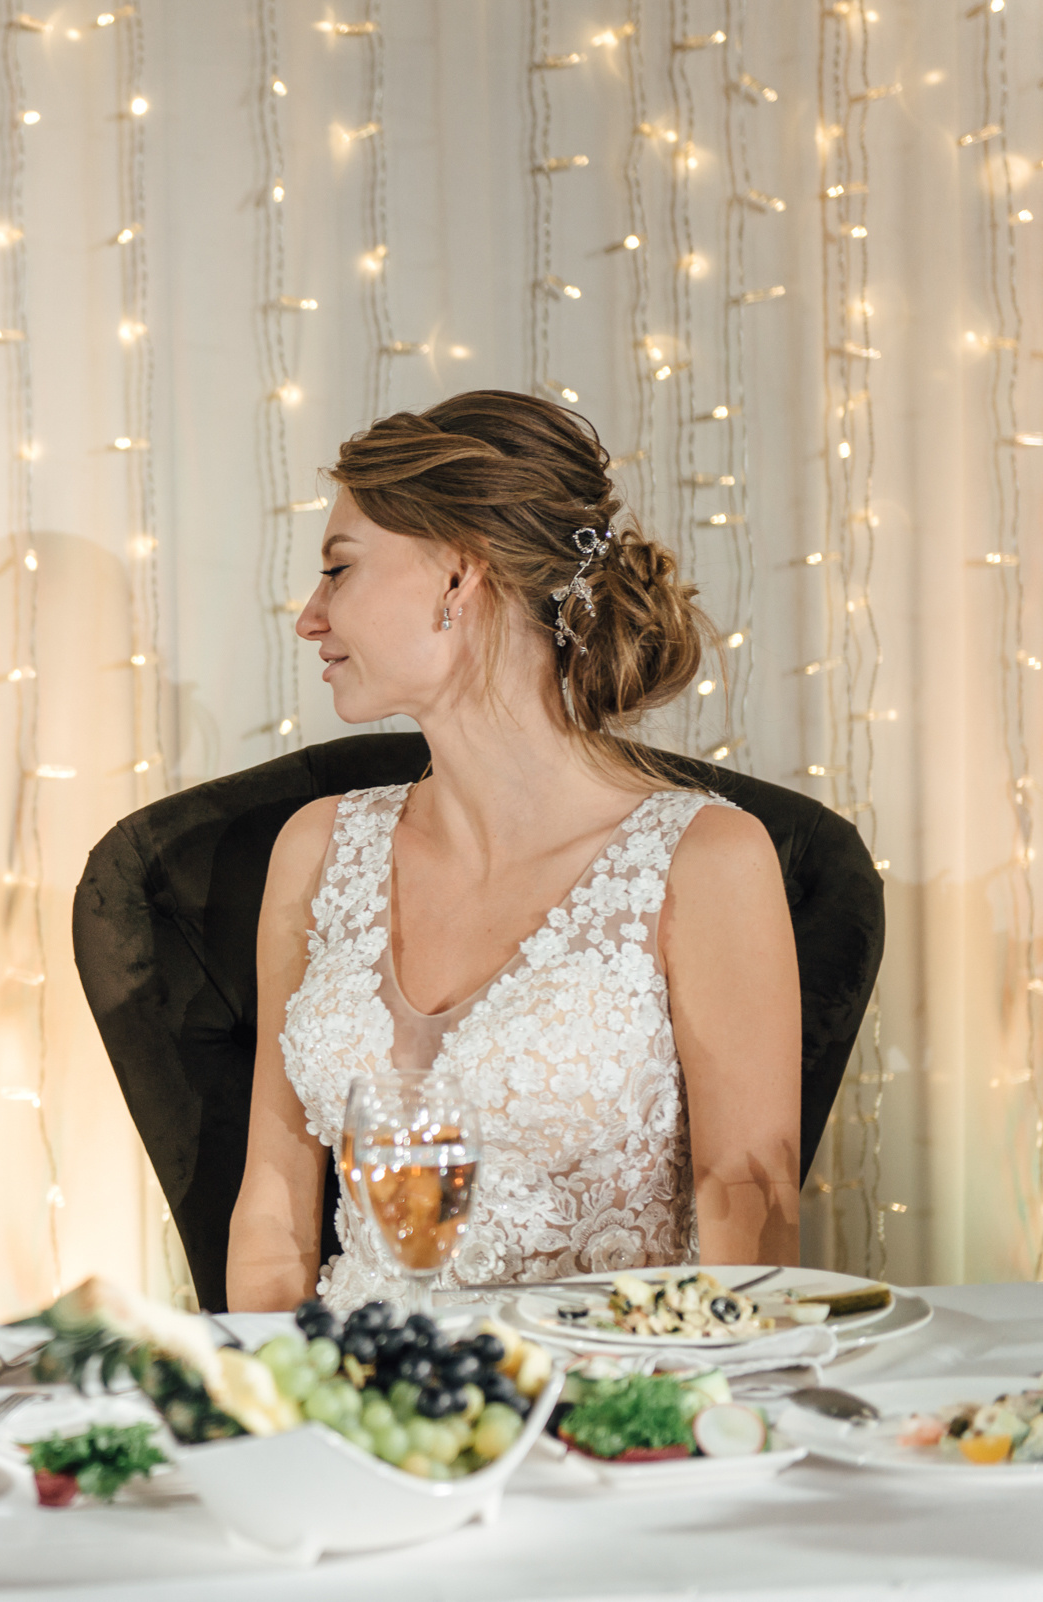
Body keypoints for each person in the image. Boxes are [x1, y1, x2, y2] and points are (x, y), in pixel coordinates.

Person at [225, 390, 801, 1312]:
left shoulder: (706, 859)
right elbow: (273, 1215)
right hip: (359, 1405)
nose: (310, 617)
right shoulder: (317, 848)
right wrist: (277, 1412)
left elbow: (750, 1241)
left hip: (599, 1402)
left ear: (461, 576)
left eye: (339, 570)